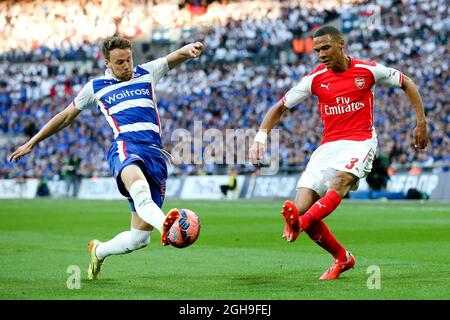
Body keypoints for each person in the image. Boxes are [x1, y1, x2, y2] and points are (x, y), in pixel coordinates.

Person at [10, 35, 204, 280]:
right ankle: (167, 224)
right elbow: (66, 116)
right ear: (107, 63)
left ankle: (99, 251)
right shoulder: (95, 87)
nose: (126, 66)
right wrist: (33, 142)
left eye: (129, 60)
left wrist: (188, 49)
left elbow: (173, 58)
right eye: (120, 62)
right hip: (126, 147)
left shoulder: (146, 73)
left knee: (139, 240)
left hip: (156, 154)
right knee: (139, 188)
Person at [249, 26, 428, 280]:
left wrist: (421, 122)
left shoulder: (367, 71)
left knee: (339, 183)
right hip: (328, 147)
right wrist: (260, 138)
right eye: (317, 50)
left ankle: (300, 224)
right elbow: (279, 107)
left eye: (325, 48)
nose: (321, 54)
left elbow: (406, 82)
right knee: (301, 208)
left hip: (360, 141)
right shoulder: (315, 79)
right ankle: (342, 258)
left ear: (340, 44)